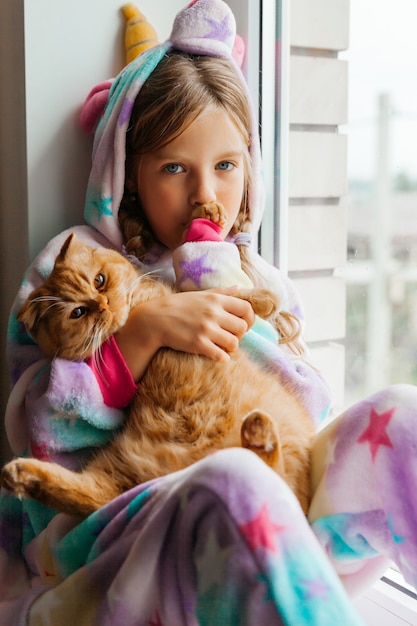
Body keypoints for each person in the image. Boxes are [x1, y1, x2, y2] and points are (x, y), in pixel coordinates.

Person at [1, 1, 417, 624]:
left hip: (281, 517)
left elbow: (303, 405)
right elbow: (39, 432)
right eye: (174, 167)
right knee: (234, 482)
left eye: (225, 166)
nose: (206, 194)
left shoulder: (260, 276)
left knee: (403, 415)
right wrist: (140, 335)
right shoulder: (80, 261)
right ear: (127, 174)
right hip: (140, 532)